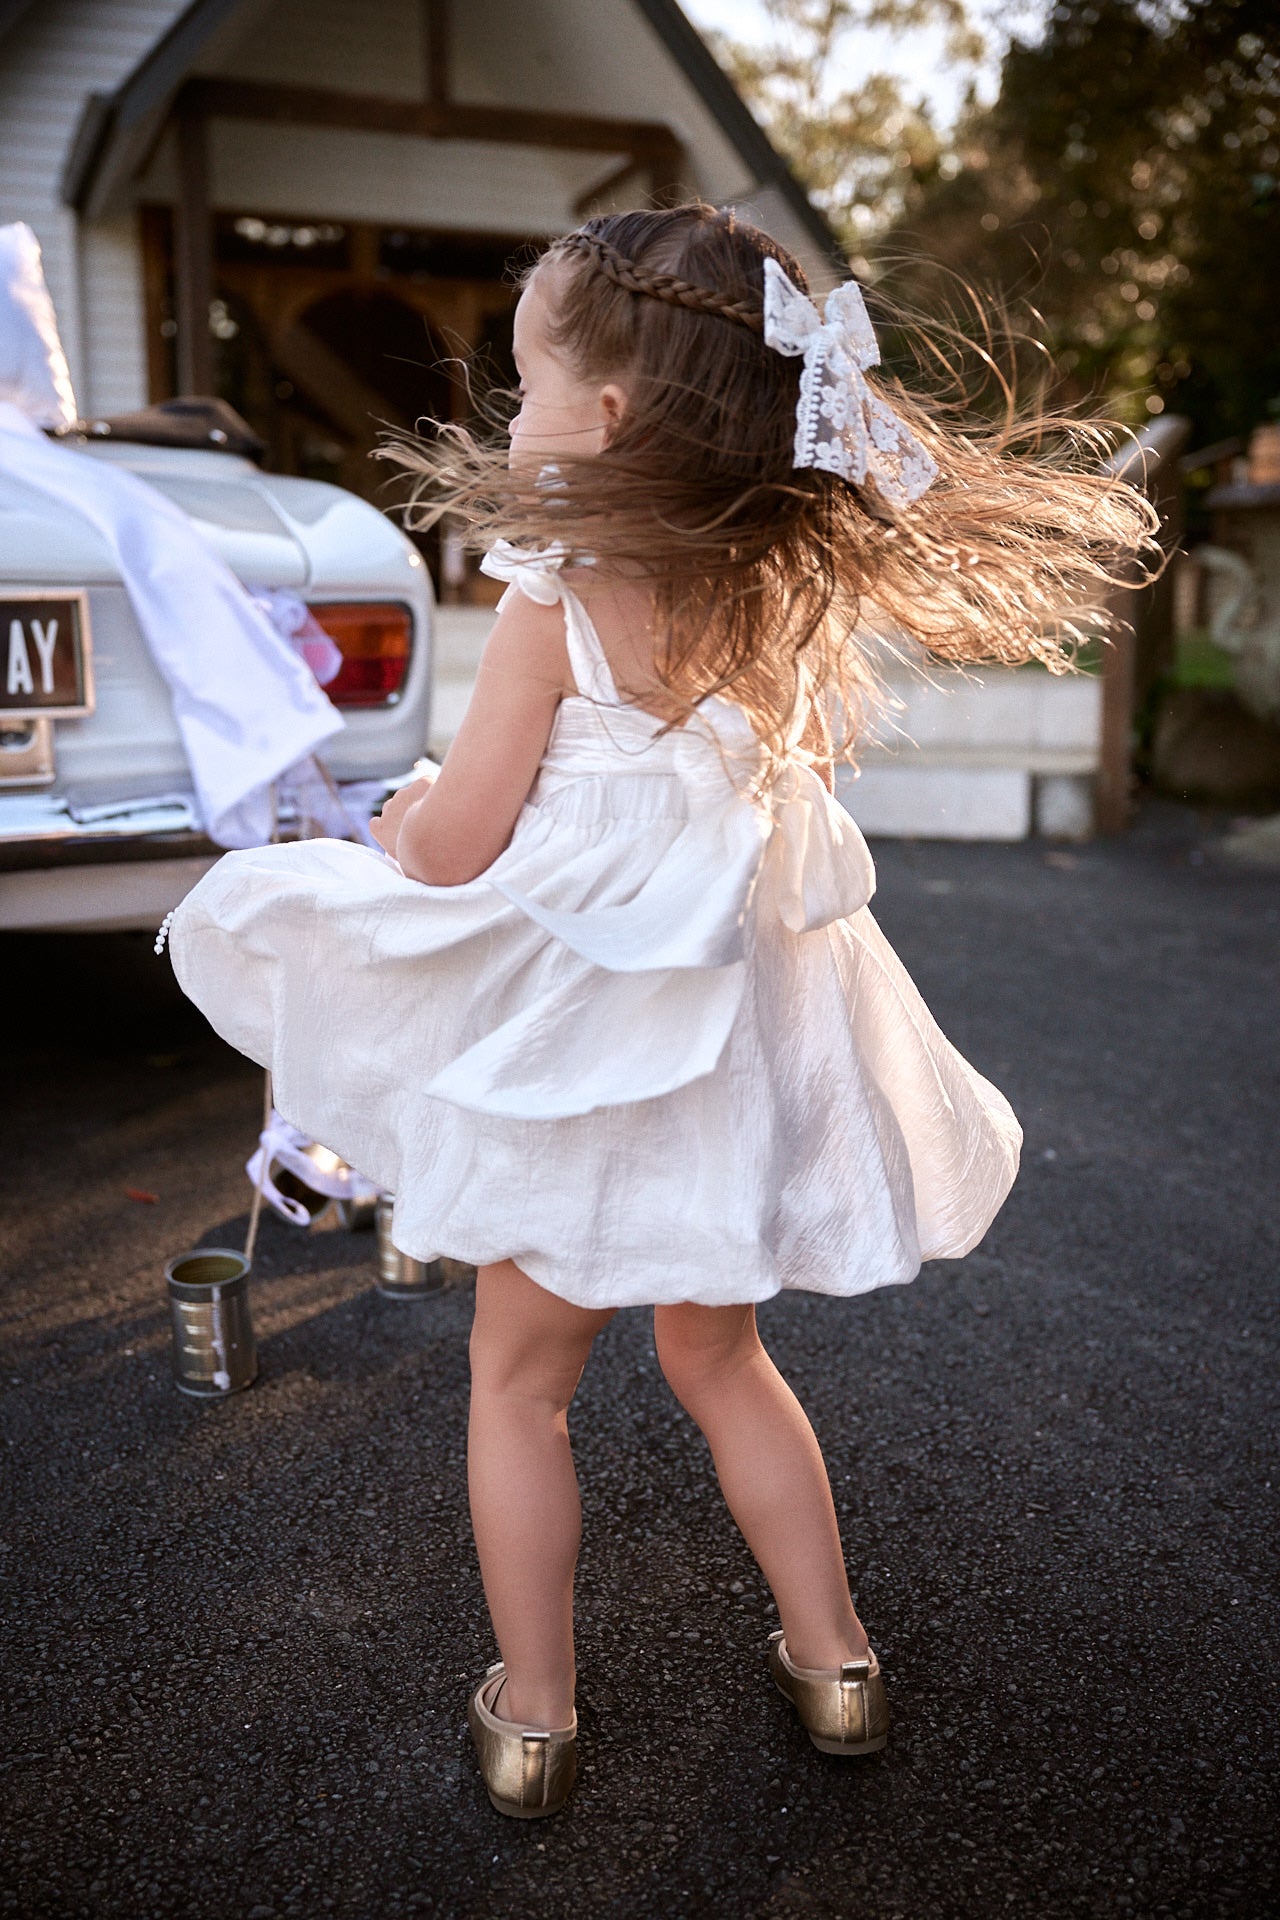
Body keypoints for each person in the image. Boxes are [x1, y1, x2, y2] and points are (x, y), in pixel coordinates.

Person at [168, 204, 1156, 1819]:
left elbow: (461, 841)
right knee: (724, 1357)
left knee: (519, 1381)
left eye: (527, 383)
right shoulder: (783, 595)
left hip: (587, 1052)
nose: (511, 415)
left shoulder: (555, 597)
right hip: (735, 1047)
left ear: (611, 414)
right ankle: (835, 1662)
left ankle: (536, 1715)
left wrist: (399, 821)